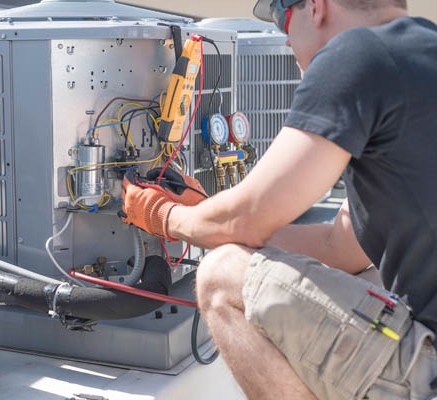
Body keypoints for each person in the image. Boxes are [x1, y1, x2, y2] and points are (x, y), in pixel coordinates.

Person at [119, 0, 437, 398]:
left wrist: (162, 215)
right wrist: (204, 213)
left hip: (429, 365)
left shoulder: (357, 54)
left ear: (316, 7)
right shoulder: (423, 53)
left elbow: (247, 219)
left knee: (221, 275)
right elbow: (339, 246)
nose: (284, 40)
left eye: (281, 18)